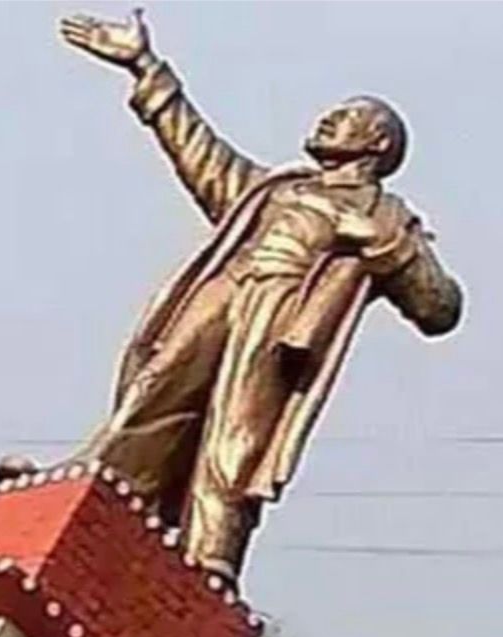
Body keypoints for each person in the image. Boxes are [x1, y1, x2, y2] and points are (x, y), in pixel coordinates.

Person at [43, 9, 464, 581]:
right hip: (226, 290)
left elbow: (440, 308)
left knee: (238, 436)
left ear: (377, 143)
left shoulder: (388, 217)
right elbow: (201, 155)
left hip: (281, 315)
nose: (326, 120)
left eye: (344, 118)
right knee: (157, 389)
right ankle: (99, 490)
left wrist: (385, 246)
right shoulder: (274, 189)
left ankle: (213, 555)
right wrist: (145, 67)